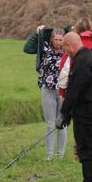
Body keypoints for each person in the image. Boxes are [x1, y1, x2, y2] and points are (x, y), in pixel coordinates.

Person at [56, 32, 92, 182]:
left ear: (69, 45)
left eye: (65, 49)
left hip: (86, 114)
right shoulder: (90, 57)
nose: (65, 53)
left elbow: (74, 90)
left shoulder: (81, 62)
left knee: (88, 153)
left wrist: (63, 114)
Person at [23, 24, 67, 159]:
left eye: (61, 40)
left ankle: (60, 155)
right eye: (56, 40)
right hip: (47, 88)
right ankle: (49, 156)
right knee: (50, 124)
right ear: (52, 39)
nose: (58, 42)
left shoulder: (68, 51)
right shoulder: (45, 47)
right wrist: (37, 33)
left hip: (63, 90)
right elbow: (27, 48)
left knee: (62, 123)